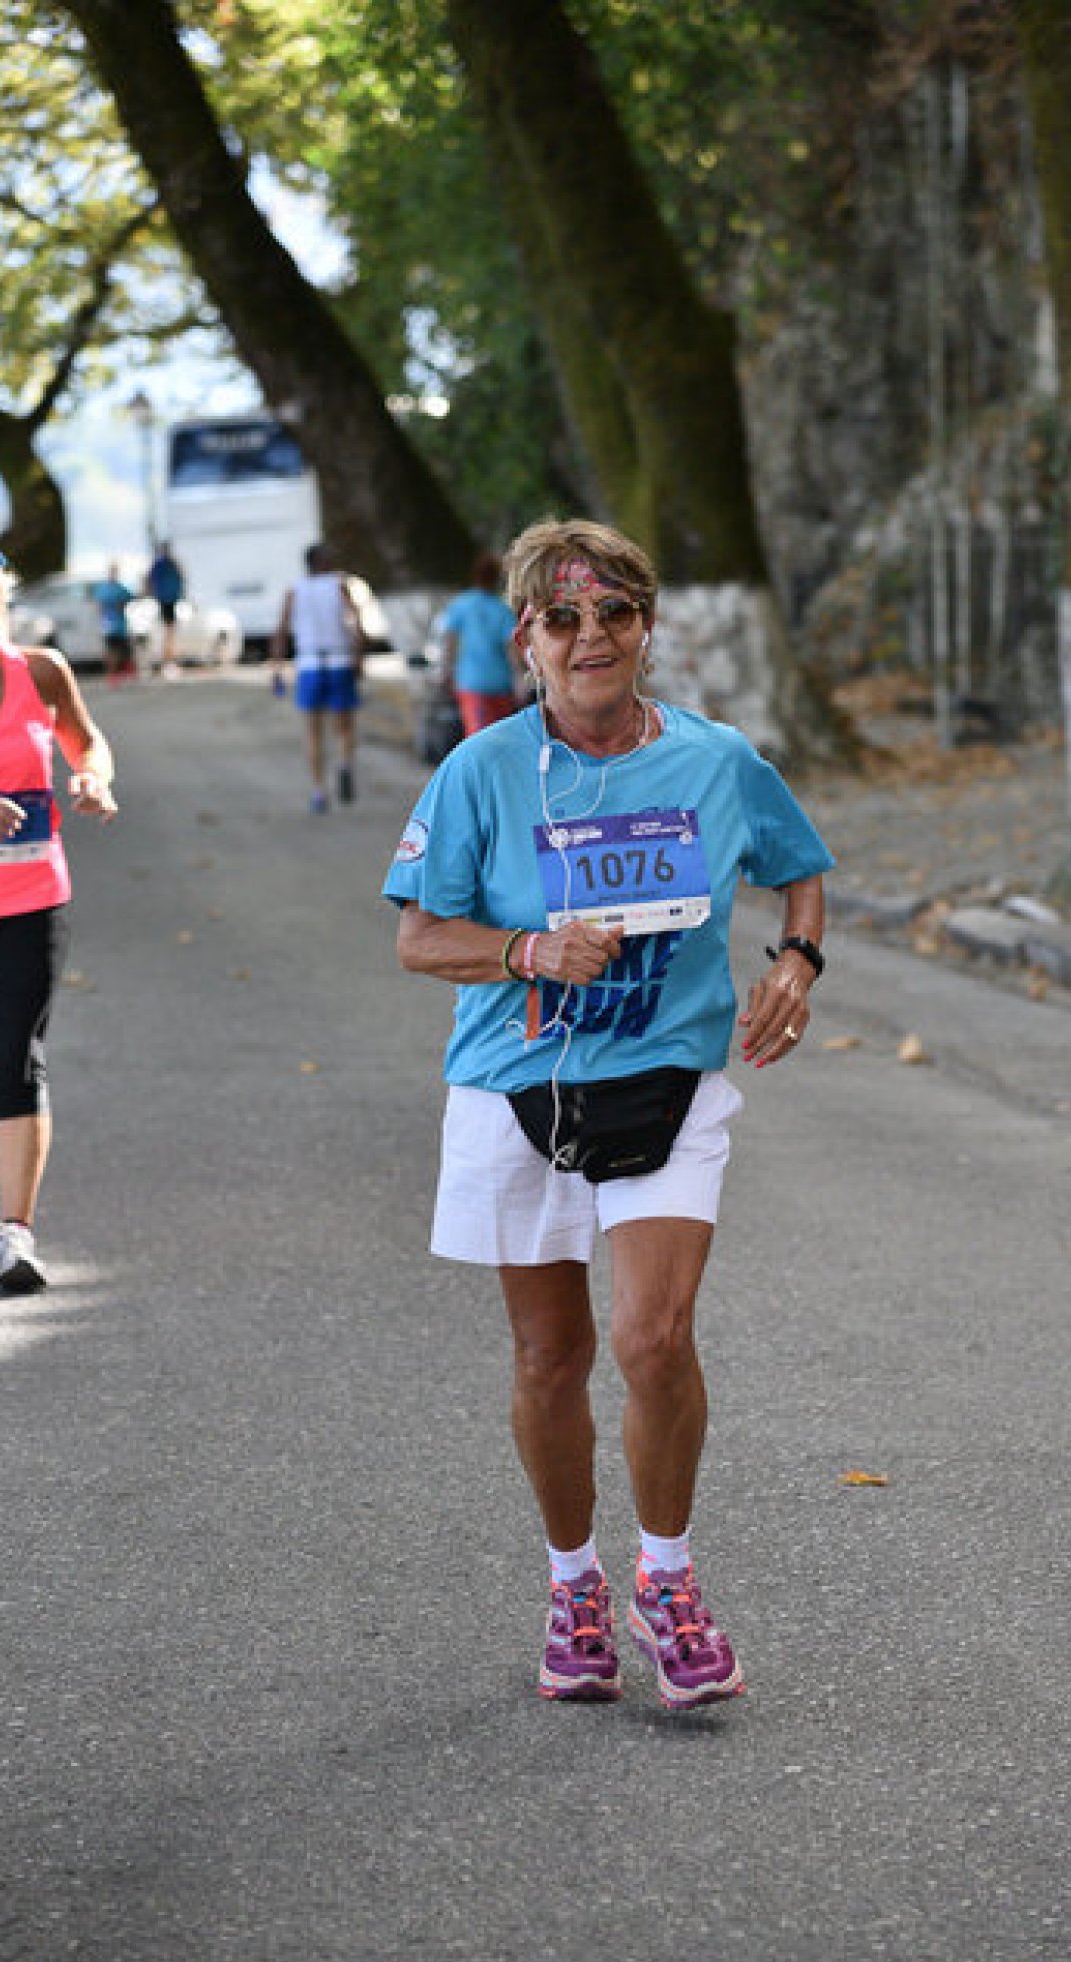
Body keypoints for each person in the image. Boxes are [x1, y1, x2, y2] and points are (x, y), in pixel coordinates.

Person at [384, 518, 833, 1709]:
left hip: (666, 1076)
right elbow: (419, 936)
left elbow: (797, 864)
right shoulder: (479, 770)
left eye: (615, 613)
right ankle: (571, 1583)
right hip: (515, 1083)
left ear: (646, 626)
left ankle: (666, 1582)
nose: (592, 636)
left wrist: (795, 959)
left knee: (651, 1338)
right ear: (523, 638)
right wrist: (527, 949)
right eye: (563, 618)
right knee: (551, 1355)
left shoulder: (714, 760)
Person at [0, 526, 118, 1293]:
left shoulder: (41, 671)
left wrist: (92, 778)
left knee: (15, 1062)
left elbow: (88, 743)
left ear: (1, 590)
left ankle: (16, 1235)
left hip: (30, 899)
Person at [271, 543, 365, 814]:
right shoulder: (339, 585)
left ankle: (319, 791)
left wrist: (277, 669)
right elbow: (356, 623)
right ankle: (344, 762)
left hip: (309, 663)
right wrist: (359, 658)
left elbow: (282, 630)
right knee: (344, 727)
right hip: (339, 660)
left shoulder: (294, 590)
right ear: (324, 562)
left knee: (313, 732)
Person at [438, 551, 521, 737]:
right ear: (497, 578)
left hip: (471, 682)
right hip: (500, 683)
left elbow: (449, 642)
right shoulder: (502, 609)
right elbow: (512, 649)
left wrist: (445, 671)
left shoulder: (460, 604)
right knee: (502, 738)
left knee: (478, 739)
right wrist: (518, 680)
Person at [145, 541, 185, 678]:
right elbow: (182, 578)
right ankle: (169, 664)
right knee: (169, 634)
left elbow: (149, 580)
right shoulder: (170, 564)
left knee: (168, 633)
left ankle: (168, 663)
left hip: (165, 601)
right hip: (167, 601)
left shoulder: (160, 564)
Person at [92, 562, 136, 685]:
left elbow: (130, 599)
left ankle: (117, 674)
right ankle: (114, 674)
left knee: (121, 650)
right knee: (114, 650)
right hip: (112, 625)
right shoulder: (110, 588)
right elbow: (99, 606)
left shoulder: (116, 588)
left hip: (117, 625)